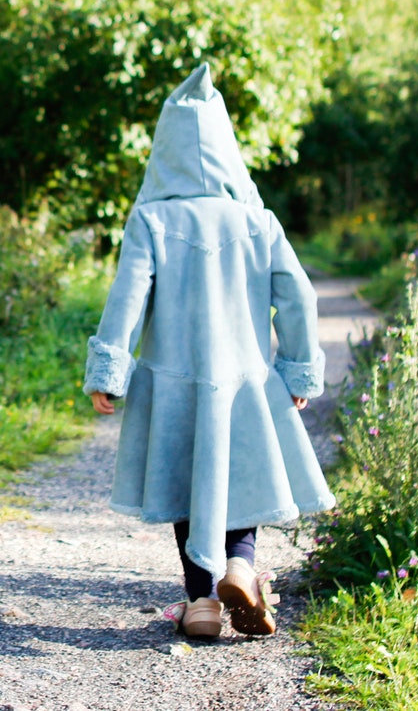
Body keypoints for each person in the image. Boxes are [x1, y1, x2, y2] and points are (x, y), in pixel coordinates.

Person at [83, 62, 335, 638]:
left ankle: (200, 602)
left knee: (185, 480)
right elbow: (298, 295)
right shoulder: (258, 220)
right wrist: (297, 369)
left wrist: (110, 371)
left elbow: (128, 298)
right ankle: (242, 565)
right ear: (228, 150)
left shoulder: (150, 219)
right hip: (246, 378)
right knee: (239, 474)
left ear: (162, 152)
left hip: (174, 380)